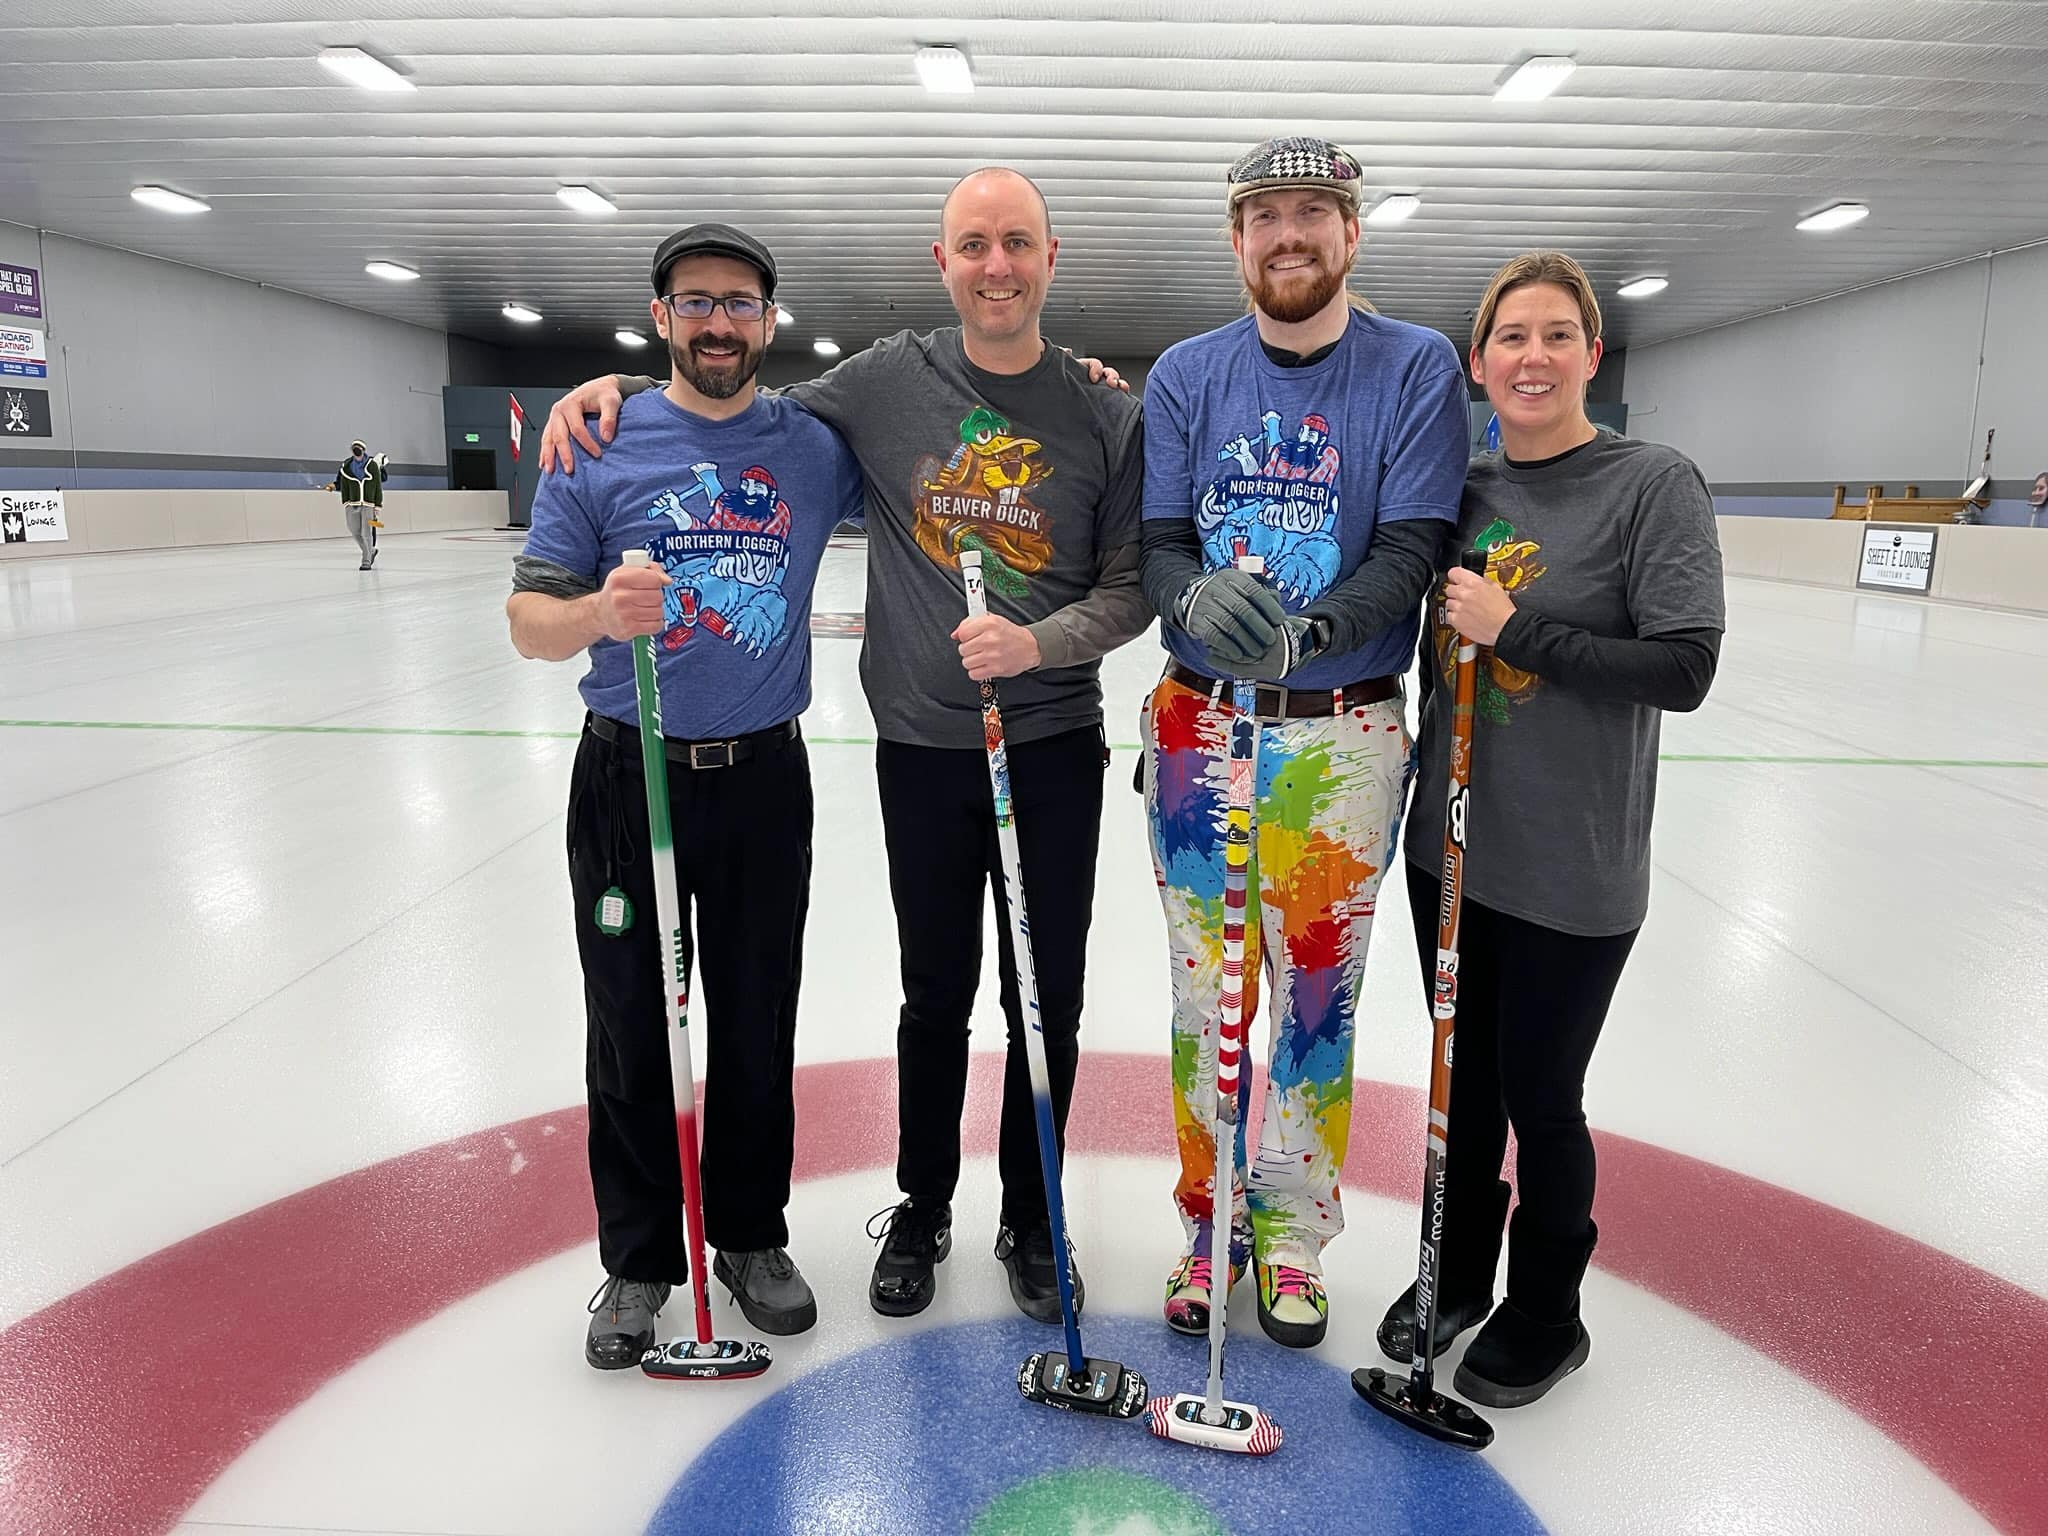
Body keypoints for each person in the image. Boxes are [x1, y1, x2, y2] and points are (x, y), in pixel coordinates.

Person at [538, 169, 1151, 1328]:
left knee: (1043, 999)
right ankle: (921, 1208)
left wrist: (1036, 645)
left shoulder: (1103, 412)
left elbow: (1130, 590)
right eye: (973, 243)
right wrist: (612, 384)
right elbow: (715, 395)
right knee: (931, 997)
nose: (996, 266)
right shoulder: (881, 382)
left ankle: (1033, 1220)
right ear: (943, 261)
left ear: (1050, 257)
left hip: (1053, 745)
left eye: (1017, 243)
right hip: (920, 748)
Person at [508, 223, 863, 1368]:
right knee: (629, 1028)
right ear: (660, 317)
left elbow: (948, 426)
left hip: (763, 777)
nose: (719, 322)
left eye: (740, 303)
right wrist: (599, 617)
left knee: (757, 1022)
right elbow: (528, 625)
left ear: (769, 318)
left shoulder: (813, 442)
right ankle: (639, 1261)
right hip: (628, 774)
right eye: (695, 302)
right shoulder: (597, 445)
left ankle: (750, 1238)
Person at [1373, 249, 1724, 1407]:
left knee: (1539, 1096)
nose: (1531, 356)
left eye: (1554, 335)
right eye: (1508, 338)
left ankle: (1545, 1312)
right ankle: (1455, 1272)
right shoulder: (1460, 488)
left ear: (1591, 355)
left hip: (1571, 869)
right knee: (1458, 1086)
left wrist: (1516, 629)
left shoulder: (1649, 484)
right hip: (1453, 853)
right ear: (1476, 364)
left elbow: (1681, 666)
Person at [1137, 137, 1469, 1349]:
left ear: (1350, 235)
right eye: (1264, 215)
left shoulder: (1414, 367)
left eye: (1313, 214)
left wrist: (1317, 624)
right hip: (1198, 730)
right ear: (1235, 241)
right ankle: (1207, 1222)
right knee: (1203, 994)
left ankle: (1288, 1234)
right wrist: (1188, 601)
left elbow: (1413, 544)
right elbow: (1163, 541)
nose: (1289, 234)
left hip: (1339, 733)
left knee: (1318, 1001)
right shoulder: (1186, 373)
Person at [331, 440, 385, 569]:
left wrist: (377, 505)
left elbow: (378, 486)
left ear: (363, 449)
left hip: (368, 503)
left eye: (359, 448)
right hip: (352, 502)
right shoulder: (346, 466)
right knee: (354, 530)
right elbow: (341, 483)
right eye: (354, 448)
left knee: (367, 532)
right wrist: (337, 490)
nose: (357, 450)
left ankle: (366, 562)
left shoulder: (372, 465)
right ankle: (370, 551)